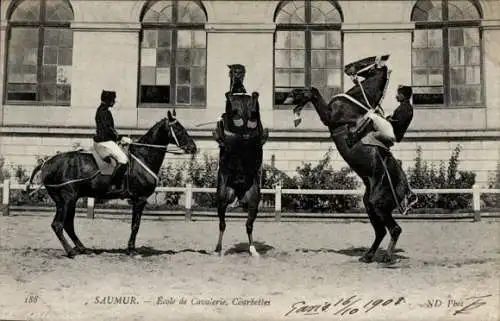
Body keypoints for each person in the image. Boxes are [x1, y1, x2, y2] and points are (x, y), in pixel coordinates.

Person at [93, 90, 132, 195]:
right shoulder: (105, 112)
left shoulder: (101, 110)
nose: (114, 102)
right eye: (113, 100)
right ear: (108, 100)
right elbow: (108, 130)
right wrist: (120, 138)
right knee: (124, 159)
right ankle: (114, 185)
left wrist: (119, 137)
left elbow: (110, 129)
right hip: (105, 141)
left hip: (105, 140)